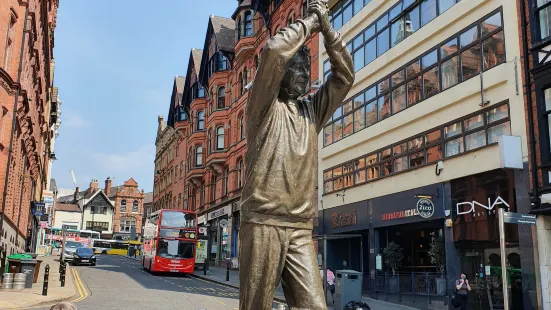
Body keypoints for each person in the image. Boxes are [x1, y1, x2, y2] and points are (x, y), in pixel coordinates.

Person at [239, 0, 354, 309]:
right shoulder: (262, 107)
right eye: (297, 67)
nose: (304, 72)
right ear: (279, 75)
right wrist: (311, 21)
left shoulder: (311, 112)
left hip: (301, 228)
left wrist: (328, 30)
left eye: (307, 66)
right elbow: (275, 50)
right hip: (263, 222)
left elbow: (345, 78)